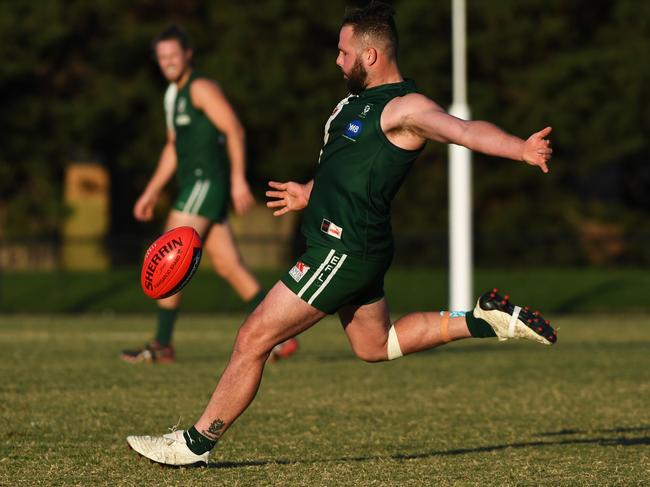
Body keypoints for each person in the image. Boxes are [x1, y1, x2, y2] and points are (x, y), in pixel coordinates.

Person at [126, 3, 556, 465]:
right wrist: (309, 193)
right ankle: (482, 318)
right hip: (353, 245)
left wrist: (521, 149)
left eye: (343, 51)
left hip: (342, 249)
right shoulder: (355, 102)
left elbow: (465, 130)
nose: (337, 60)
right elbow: (350, 171)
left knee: (253, 338)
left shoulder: (405, 108)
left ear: (369, 56)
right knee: (376, 345)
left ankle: (195, 444)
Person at [120, 25, 298, 364]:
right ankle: (282, 337)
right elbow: (173, 147)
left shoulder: (200, 87)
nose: (168, 62)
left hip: (206, 183)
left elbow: (234, 129)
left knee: (169, 254)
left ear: (188, 54)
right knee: (228, 265)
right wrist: (151, 191)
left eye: (174, 55)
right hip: (195, 185)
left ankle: (161, 343)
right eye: (162, 57)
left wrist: (238, 181)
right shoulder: (172, 96)